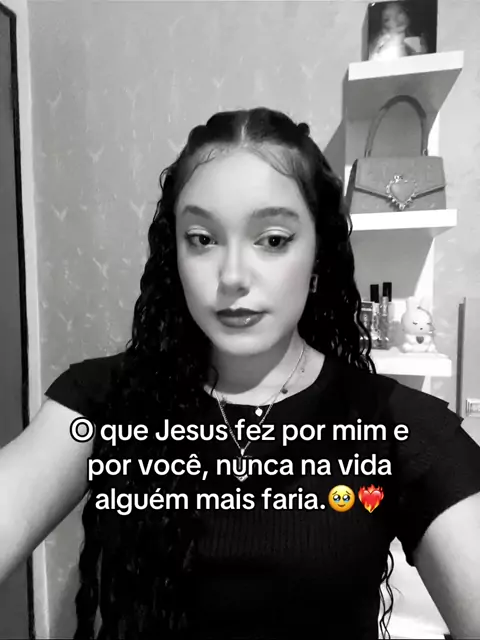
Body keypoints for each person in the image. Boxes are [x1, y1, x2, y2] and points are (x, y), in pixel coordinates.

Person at [1, 107, 479, 640]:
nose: (231, 276)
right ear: (174, 254)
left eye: (272, 239)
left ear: (318, 254)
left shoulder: (401, 428)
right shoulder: (101, 401)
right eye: (202, 239)